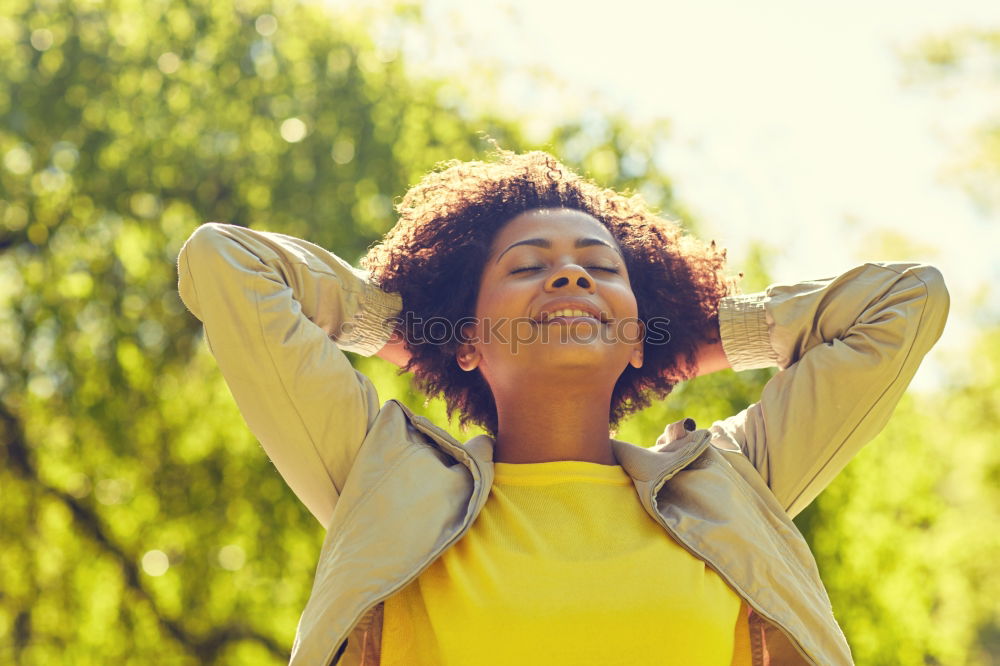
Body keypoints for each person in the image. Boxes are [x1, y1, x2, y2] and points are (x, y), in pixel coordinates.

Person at [176, 149, 949, 666]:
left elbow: (906, 301)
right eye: (530, 266)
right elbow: (228, 263)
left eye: (599, 268)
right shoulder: (380, 479)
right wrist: (410, 331)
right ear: (470, 335)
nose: (571, 277)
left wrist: (684, 341)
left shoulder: (736, 484)